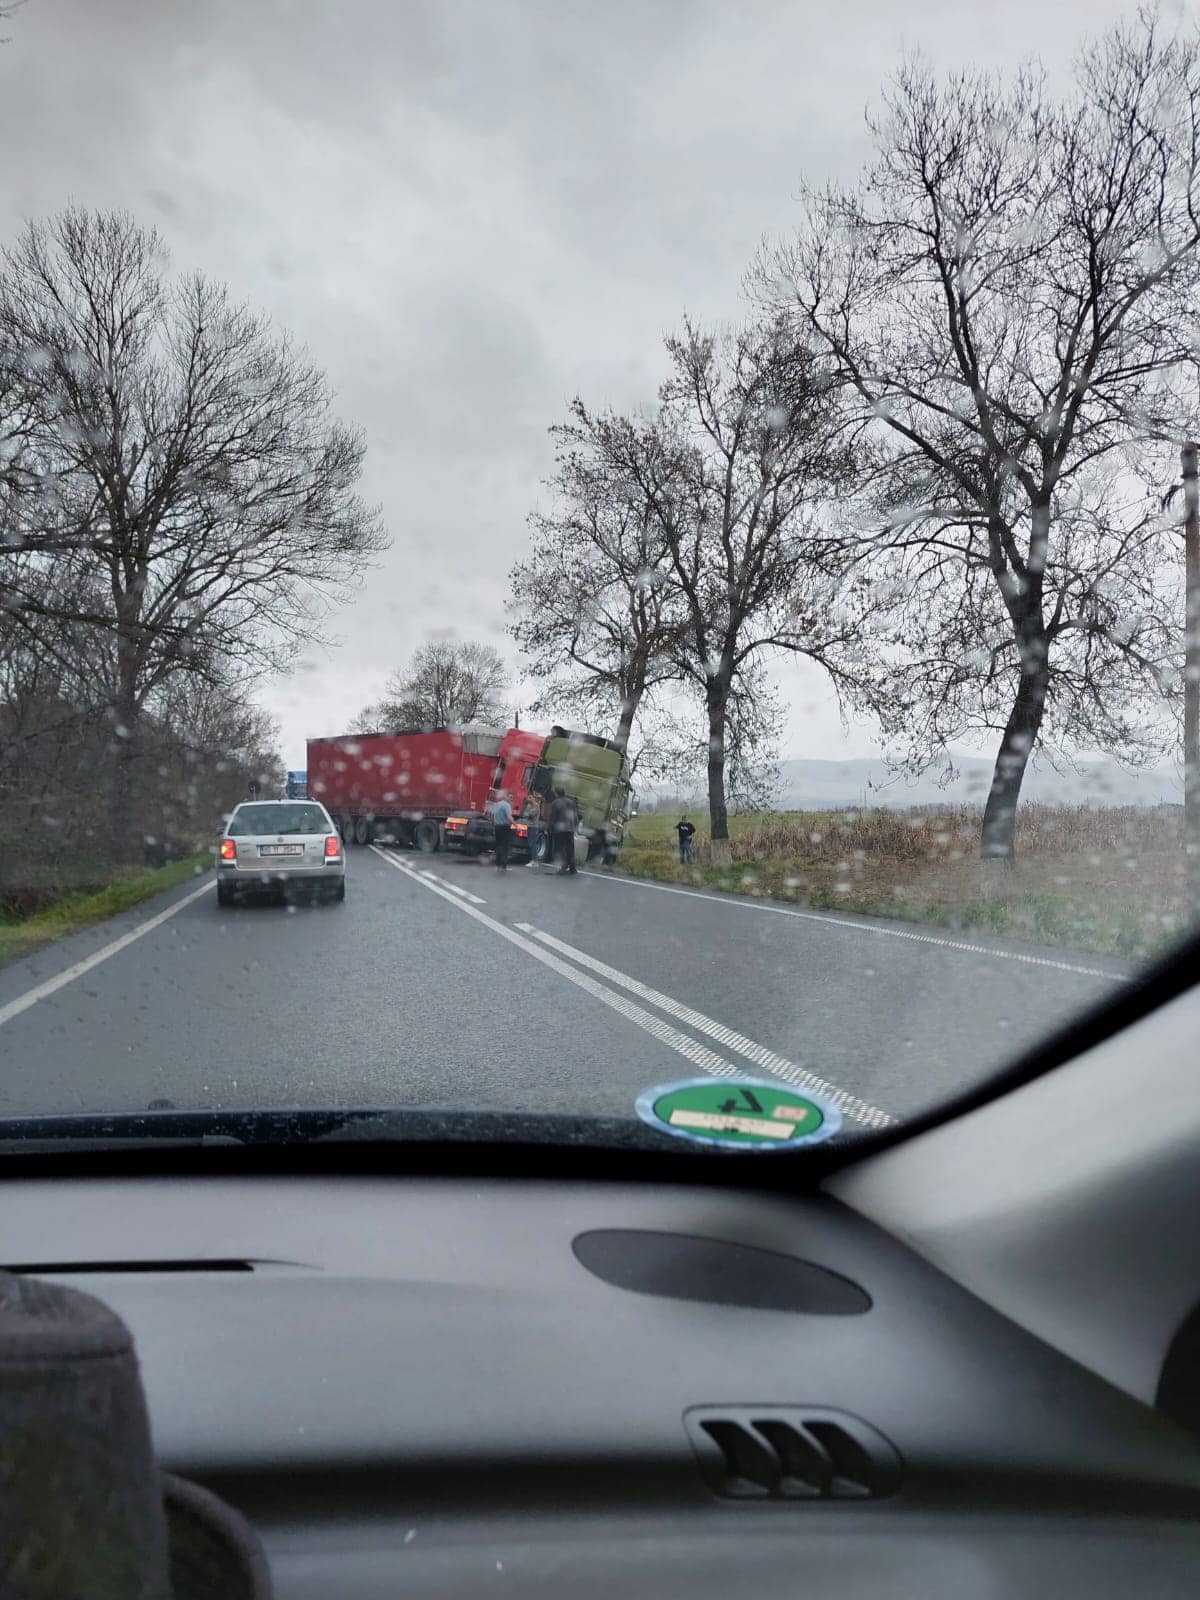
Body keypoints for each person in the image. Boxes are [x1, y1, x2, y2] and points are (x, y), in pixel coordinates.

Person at [548, 787, 578, 875]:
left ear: (557, 794)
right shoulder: (571, 802)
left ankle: (563, 867)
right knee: (569, 849)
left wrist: (550, 827)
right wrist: (575, 826)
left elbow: (553, 816)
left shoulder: (555, 803)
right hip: (570, 829)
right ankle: (573, 868)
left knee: (560, 849)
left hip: (560, 829)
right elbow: (575, 816)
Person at [491, 789, 513, 870]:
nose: (511, 799)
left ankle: (498, 864)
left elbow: (493, 816)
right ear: (506, 797)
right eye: (510, 797)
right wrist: (515, 824)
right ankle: (504, 865)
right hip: (505, 827)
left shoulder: (497, 805)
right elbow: (509, 817)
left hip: (497, 827)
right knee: (505, 847)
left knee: (498, 845)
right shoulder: (507, 805)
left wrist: (494, 825)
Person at [521, 794, 544, 869]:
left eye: (530, 797)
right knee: (531, 843)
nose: (528, 799)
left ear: (534, 798)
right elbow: (524, 814)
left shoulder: (536, 805)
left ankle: (534, 861)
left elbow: (530, 814)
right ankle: (533, 860)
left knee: (532, 844)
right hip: (529, 826)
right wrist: (527, 813)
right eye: (528, 797)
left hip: (533, 827)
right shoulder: (529, 805)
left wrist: (527, 813)